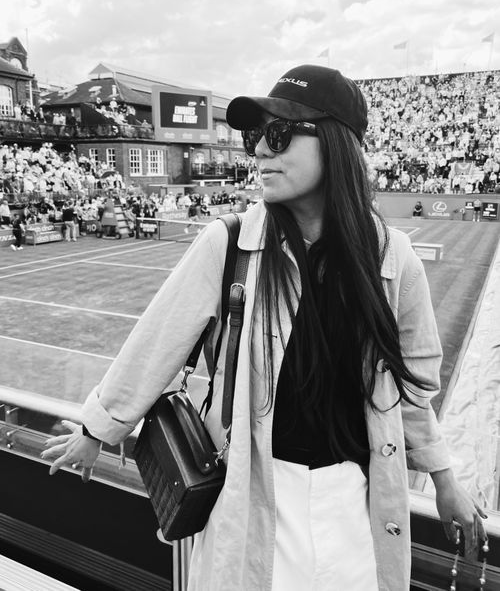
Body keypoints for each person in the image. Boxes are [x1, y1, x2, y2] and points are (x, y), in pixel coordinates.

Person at [41, 64, 487, 591]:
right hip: (253, 499)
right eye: (254, 136)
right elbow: (156, 342)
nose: (257, 151)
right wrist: (97, 430)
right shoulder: (228, 243)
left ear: (337, 145)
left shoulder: (394, 258)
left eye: (279, 135)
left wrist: (444, 479)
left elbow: (408, 389)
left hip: (357, 510)